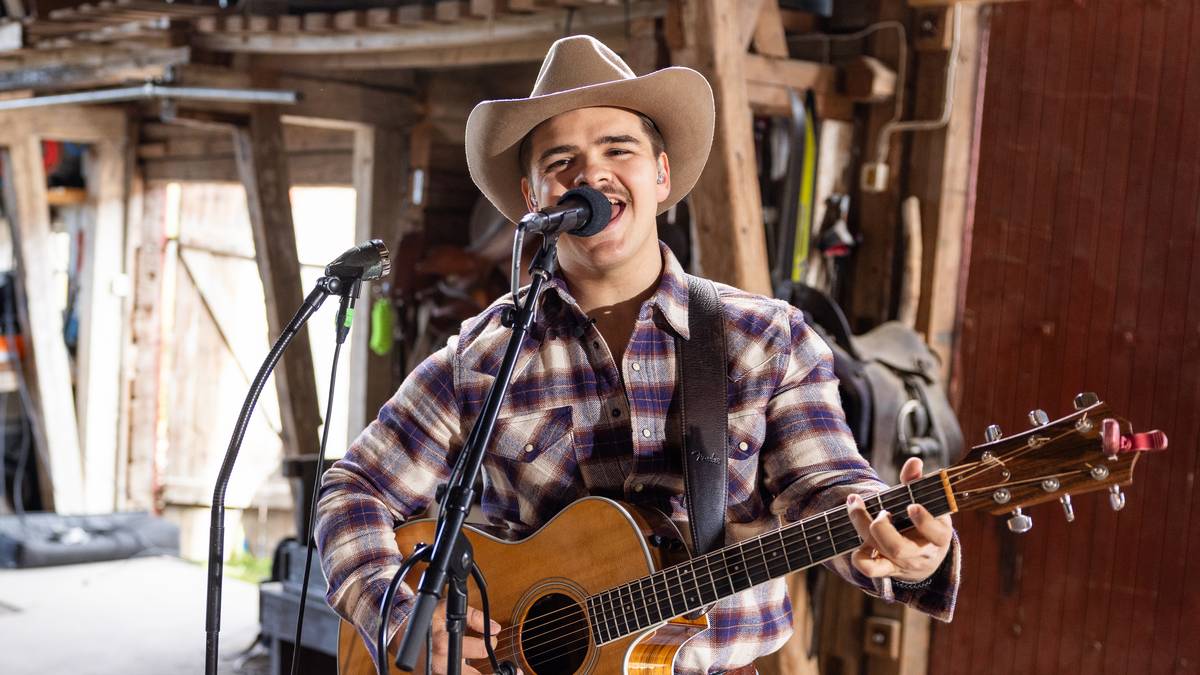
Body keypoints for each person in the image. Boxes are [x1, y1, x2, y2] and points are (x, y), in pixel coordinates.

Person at [316, 35, 959, 675]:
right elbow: (353, 488)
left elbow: (826, 488)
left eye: (616, 149)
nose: (590, 174)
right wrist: (394, 614)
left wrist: (897, 548)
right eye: (560, 159)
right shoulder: (484, 357)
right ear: (534, 198)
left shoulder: (767, 338)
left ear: (661, 173)